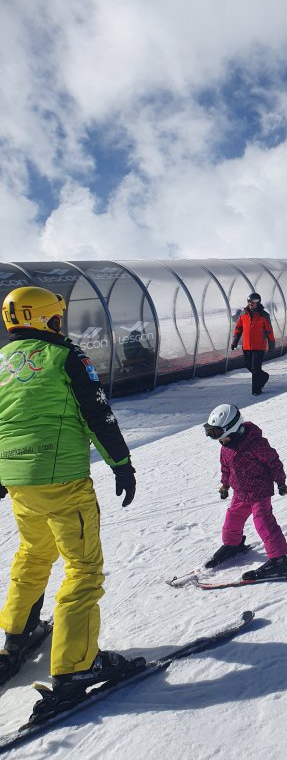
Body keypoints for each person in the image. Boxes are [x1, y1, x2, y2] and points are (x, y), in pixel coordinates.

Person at [0, 286, 139, 704]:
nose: (61, 324)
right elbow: (96, 412)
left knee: (33, 553)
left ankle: (16, 636)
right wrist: (121, 463)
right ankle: (77, 665)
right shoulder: (67, 356)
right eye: (56, 318)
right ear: (44, 318)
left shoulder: (1, 363)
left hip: (18, 480)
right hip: (61, 478)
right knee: (82, 569)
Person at [203, 404, 287, 580]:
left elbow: (274, 462)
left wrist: (281, 482)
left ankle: (279, 560)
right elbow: (226, 468)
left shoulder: (257, 444)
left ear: (234, 430)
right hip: (240, 493)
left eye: (221, 436)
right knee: (232, 519)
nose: (219, 441)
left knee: (263, 523)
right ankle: (233, 545)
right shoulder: (226, 447)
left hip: (260, 492)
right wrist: (225, 485)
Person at [231, 292, 276, 396]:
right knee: (247, 365)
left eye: (254, 301)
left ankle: (256, 390)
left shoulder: (264, 315)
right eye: (249, 301)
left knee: (255, 369)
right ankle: (264, 376)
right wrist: (235, 341)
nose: (251, 303)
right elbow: (238, 328)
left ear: (258, 302)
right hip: (246, 346)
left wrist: (271, 345)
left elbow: (269, 331)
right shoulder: (243, 314)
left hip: (259, 346)